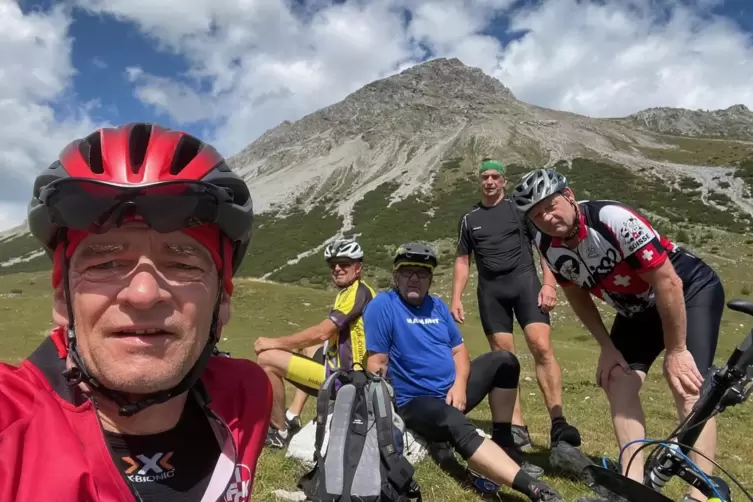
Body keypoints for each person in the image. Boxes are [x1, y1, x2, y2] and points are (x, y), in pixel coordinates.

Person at [0, 123, 271, 502]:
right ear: (63, 297)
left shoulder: (246, 397)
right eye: (106, 263)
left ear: (222, 300)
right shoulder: (9, 426)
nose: (143, 294)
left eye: (183, 264)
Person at [511, 168, 725, 502]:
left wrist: (677, 348)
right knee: (617, 379)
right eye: (537, 215)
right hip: (637, 309)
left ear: (569, 196)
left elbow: (668, 282)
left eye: (551, 206)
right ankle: (632, 485)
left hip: (685, 290)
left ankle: (701, 493)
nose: (547, 218)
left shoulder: (612, 219)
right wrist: (607, 347)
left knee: (688, 385)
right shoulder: (546, 243)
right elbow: (576, 293)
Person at [365, 242, 565, 502]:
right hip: (415, 402)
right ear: (396, 276)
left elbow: (460, 353)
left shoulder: (437, 307)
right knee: (454, 422)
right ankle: (535, 489)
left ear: (430, 279)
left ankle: (504, 441)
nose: (414, 278)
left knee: (505, 361)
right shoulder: (384, 305)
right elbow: (376, 364)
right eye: (407, 272)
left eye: (422, 273)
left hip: (452, 392)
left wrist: (459, 385)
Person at [451, 158, 581, 452]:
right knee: (504, 360)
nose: (489, 181)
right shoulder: (469, 219)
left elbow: (544, 246)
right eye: (485, 176)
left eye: (495, 176)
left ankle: (558, 422)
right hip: (491, 293)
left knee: (542, 347)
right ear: (479, 181)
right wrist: (456, 297)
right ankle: (516, 427)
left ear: (504, 181)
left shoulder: (518, 210)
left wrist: (549, 283)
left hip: (526, 286)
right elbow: (462, 261)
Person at [255, 238, 376, 448]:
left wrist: (274, 342)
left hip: (347, 380)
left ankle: (280, 432)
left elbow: (323, 332)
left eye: (344, 263)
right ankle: (293, 416)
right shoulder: (355, 290)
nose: (337, 268)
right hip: (348, 371)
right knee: (310, 348)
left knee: (267, 359)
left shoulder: (357, 292)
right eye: (333, 265)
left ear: (358, 268)